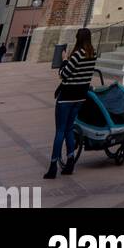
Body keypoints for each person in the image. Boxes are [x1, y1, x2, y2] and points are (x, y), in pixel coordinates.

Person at [44, 28, 97, 178]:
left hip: (67, 97)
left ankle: (53, 166)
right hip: (80, 98)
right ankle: (70, 162)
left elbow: (63, 74)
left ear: (78, 38)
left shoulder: (78, 54)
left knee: (60, 131)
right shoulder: (93, 54)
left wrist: (65, 59)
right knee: (69, 129)